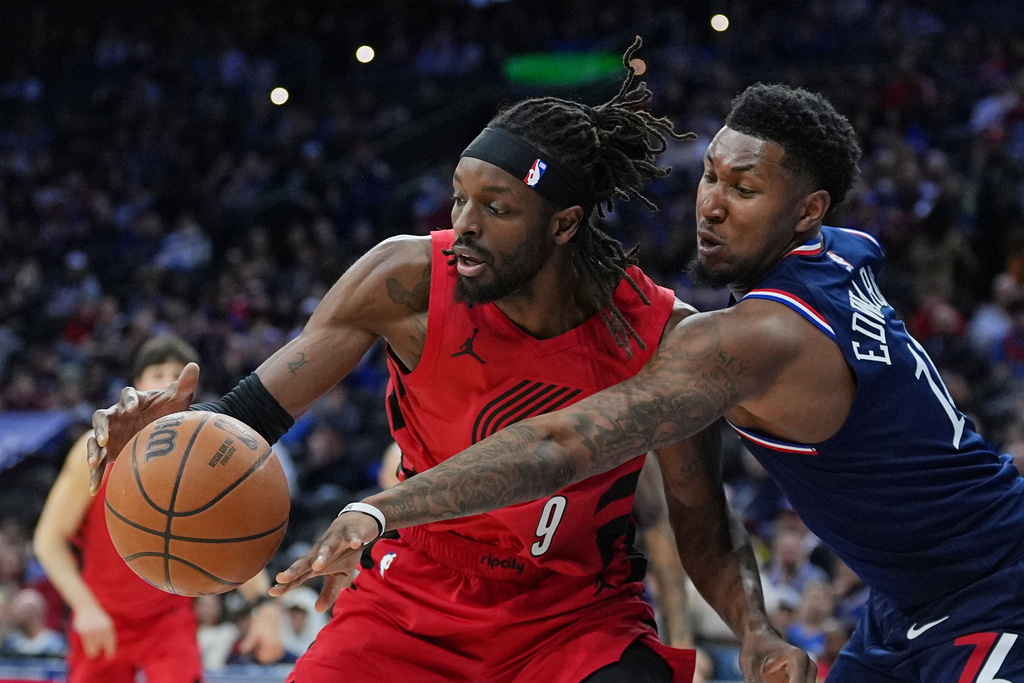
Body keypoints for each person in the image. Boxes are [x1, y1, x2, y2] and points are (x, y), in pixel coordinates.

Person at [87, 41, 811, 683]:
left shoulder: (662, 335)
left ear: (563, 223)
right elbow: (250, 417)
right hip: (412, 593)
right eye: (459, 197)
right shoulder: (404, 280)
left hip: (570, 620)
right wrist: (160, 445)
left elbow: (702, 521)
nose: (462, 224)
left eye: (495, 207)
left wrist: (756, 630)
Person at [271, 83, 1024, 682]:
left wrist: (382, 506)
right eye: (710, 175)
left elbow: (563, 443)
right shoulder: (836, 257)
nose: (713, 204)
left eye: (746, 188)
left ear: (808, 209)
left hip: (995, 591)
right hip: (904, 606)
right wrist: (758, 632)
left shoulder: (755, 336)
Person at [33, 335, 283, 683]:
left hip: (168, 619)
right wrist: (85, 607)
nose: (167, 383)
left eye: (177, 376)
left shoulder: (207, 453)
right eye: (158, 374)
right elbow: (48, 540)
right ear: (137, 387)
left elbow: (229, 543)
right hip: (102, 613)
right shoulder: (97, 450)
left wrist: (264, 608)